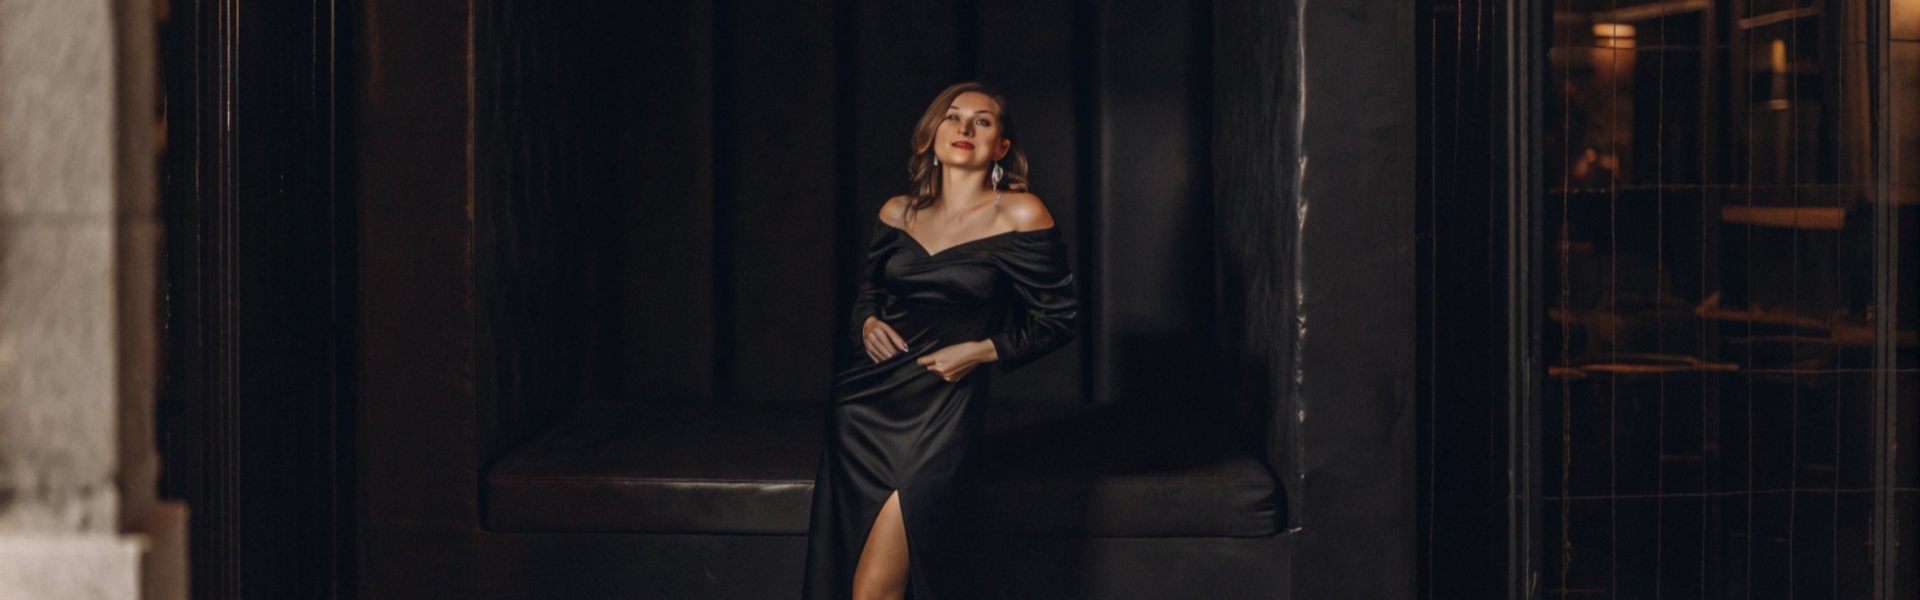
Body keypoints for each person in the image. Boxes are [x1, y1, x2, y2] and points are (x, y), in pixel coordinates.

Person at [801, 82, 1080, 600]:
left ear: (1001, 147)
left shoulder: (1019, 214)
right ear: (931, 137)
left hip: (940, 411)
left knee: (877, 590)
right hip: (863, 406)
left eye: (983, 121)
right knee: (852, 583)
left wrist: (980, 352)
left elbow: (1058, 319)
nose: (965, 129)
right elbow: (868, 295)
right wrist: (866, 324)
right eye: (953, 118)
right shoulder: (896, 212)